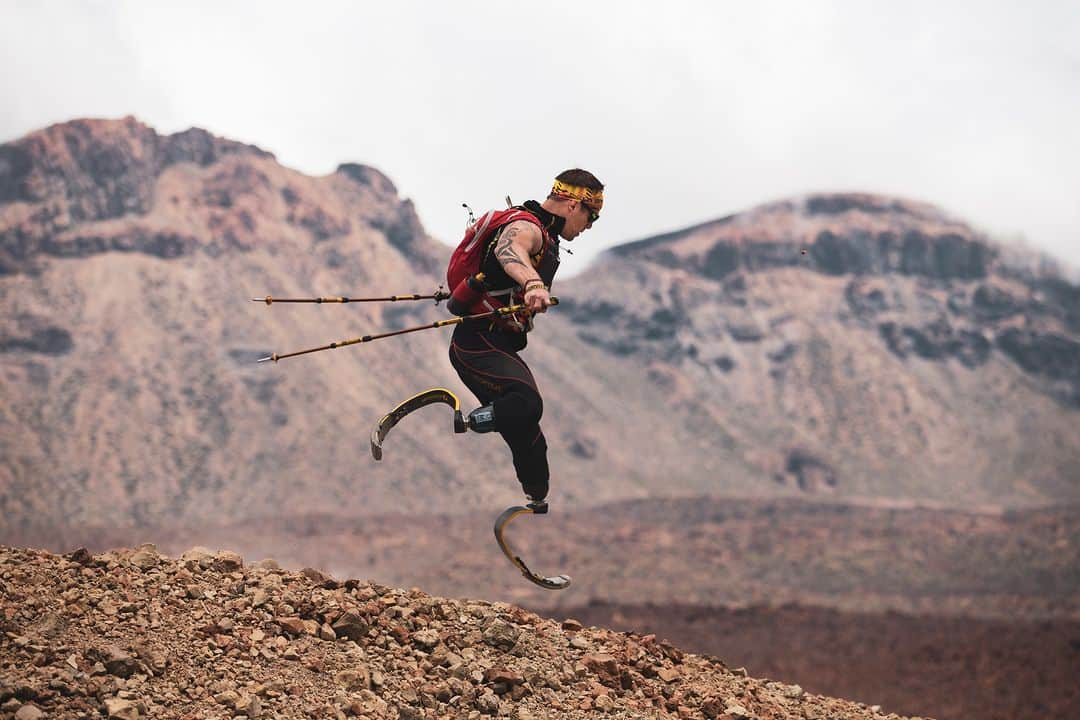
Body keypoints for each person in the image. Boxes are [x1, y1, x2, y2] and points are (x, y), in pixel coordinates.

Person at [448, 169, 604, 511]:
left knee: (527, 430)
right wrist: (533, 284)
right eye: (591, 216)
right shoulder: (529, 227)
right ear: (574, 205)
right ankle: (466, 420)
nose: (590, 225)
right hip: (475, 342)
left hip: (497, 343)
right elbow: (511, 247)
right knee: (527, 403)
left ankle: (536, 498)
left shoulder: (546, 235)